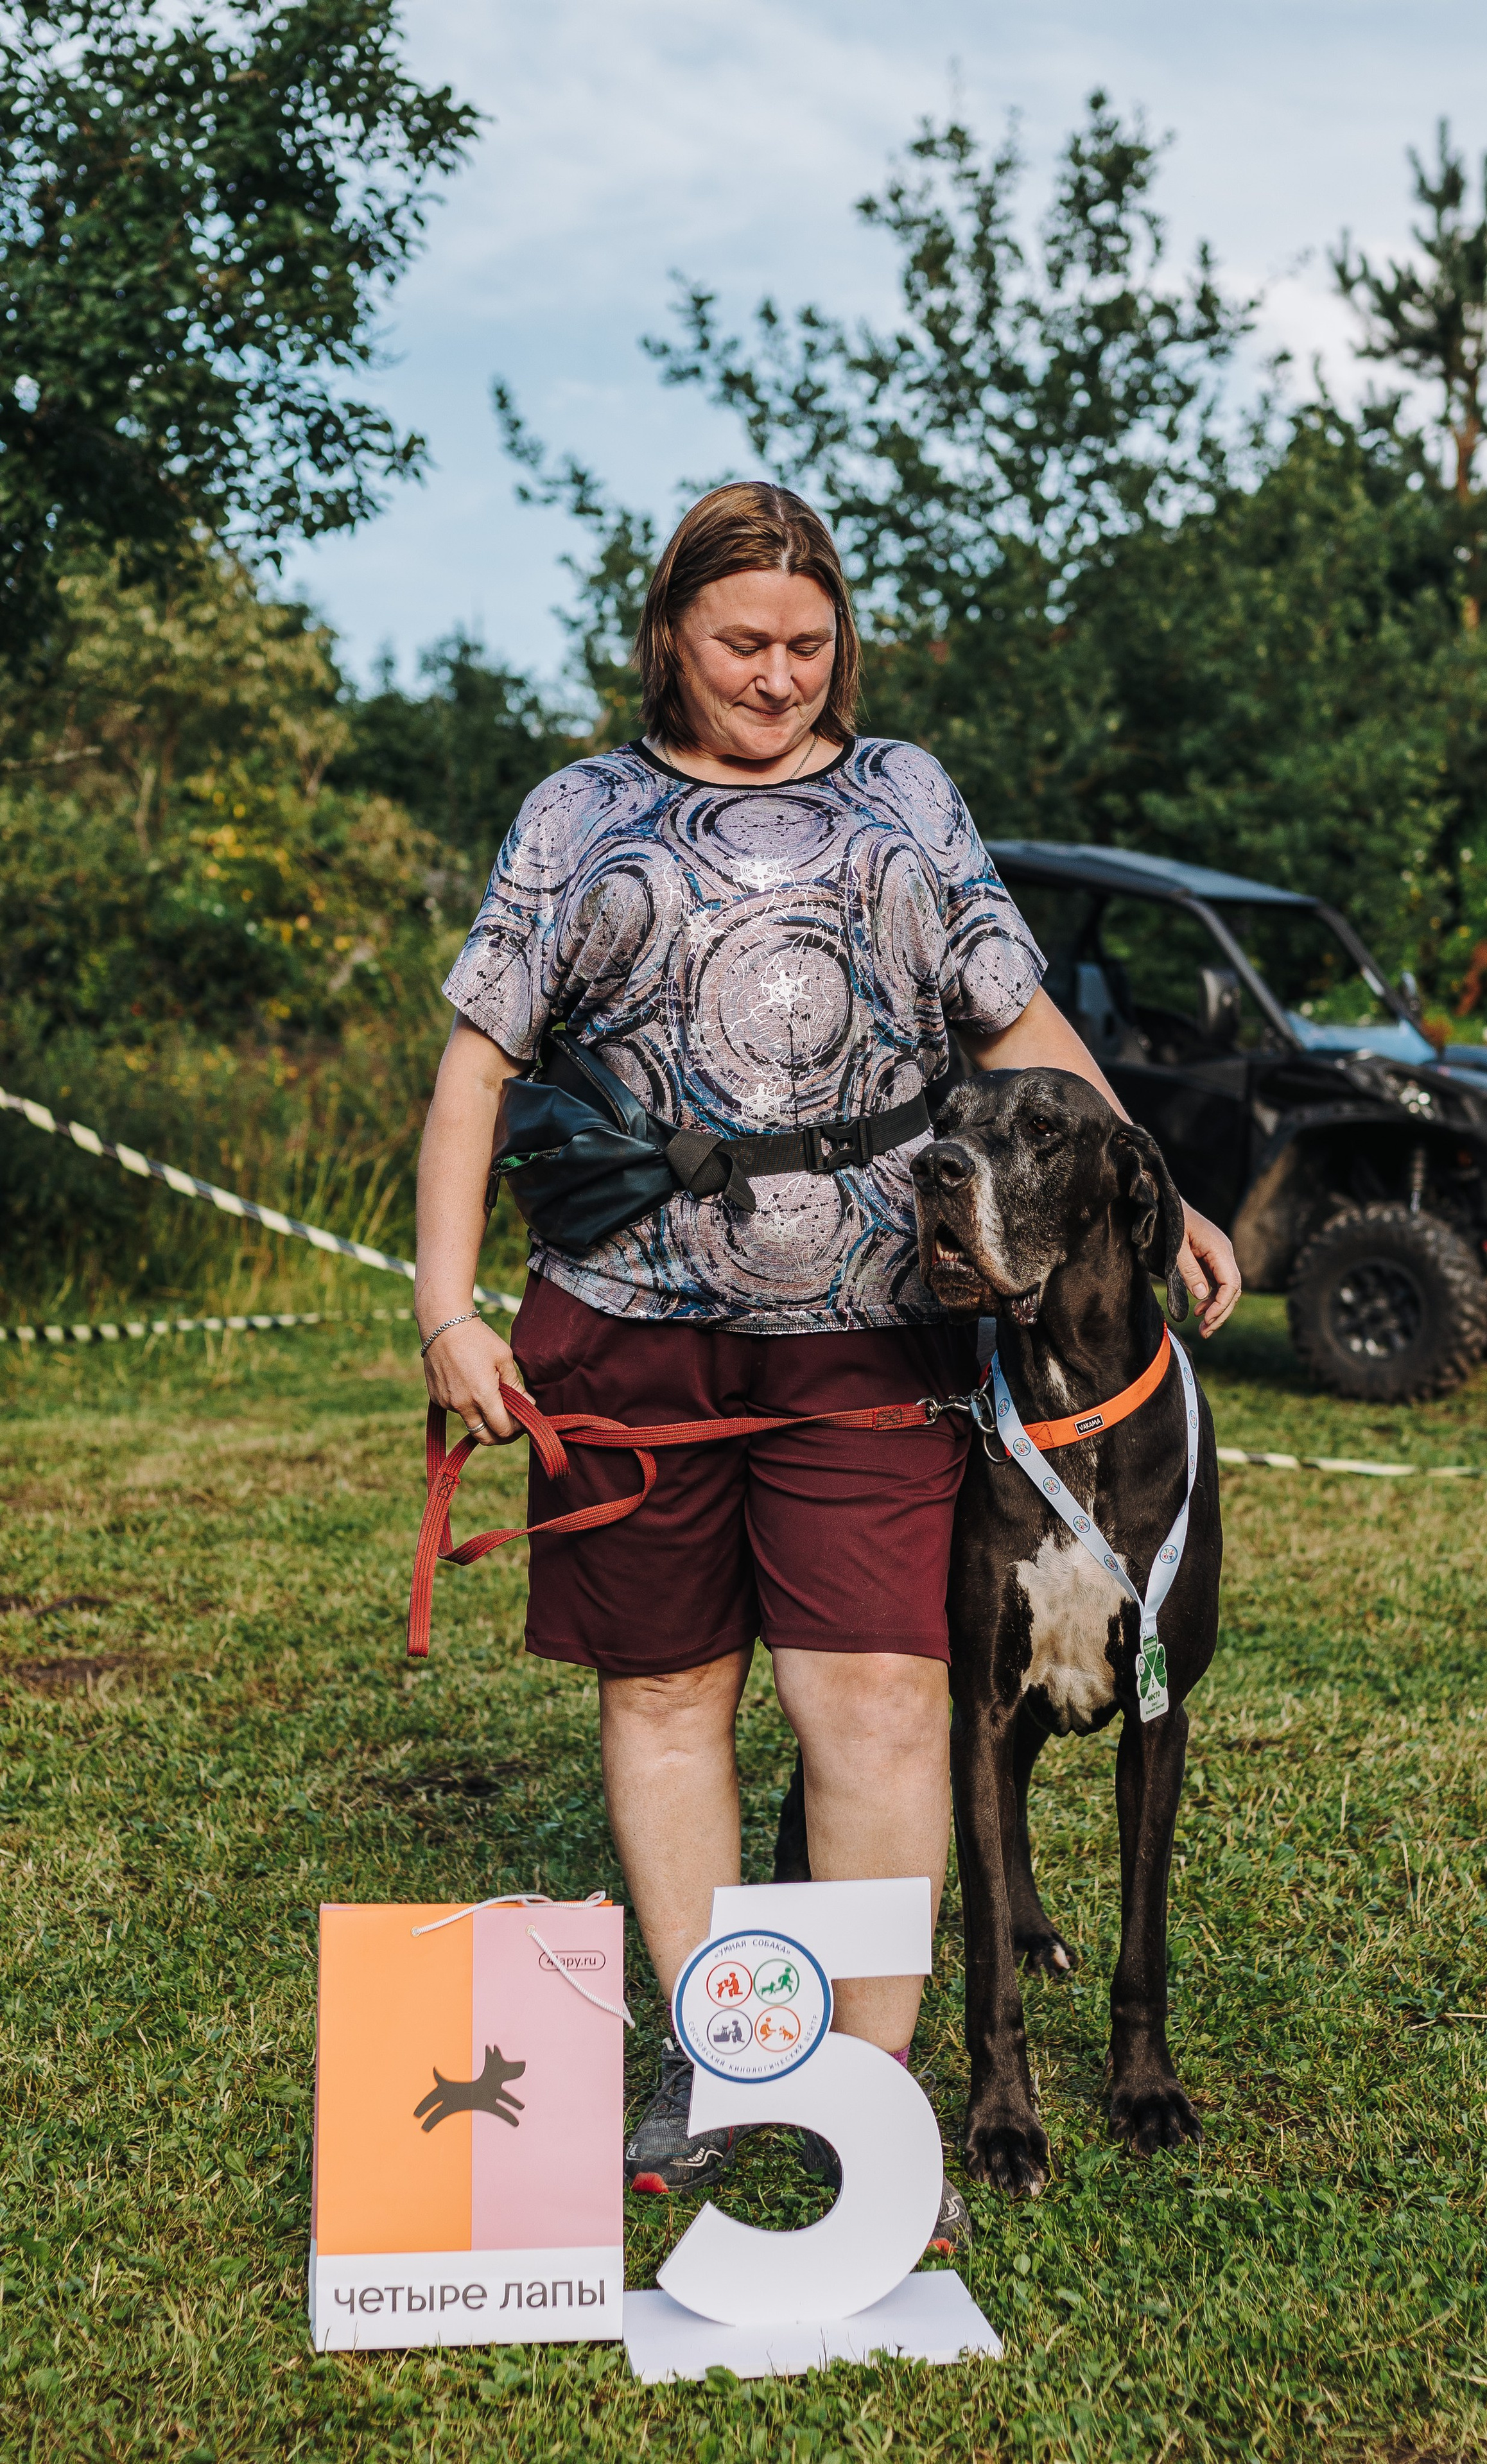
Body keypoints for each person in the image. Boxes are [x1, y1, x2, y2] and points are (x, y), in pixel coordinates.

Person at [414, 482, 1240, 2247]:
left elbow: (1012, 1012)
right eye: (740, 645)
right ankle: (724, 2064)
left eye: (807, 644)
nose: (779, 678)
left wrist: (1160, 1201)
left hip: (880, 1329)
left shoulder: (907, 796)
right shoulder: (580, 812)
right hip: (624, 1325)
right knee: (666, 1696)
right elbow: (479, 1067)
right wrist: (446, 1304)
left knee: (874, 1700)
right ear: (667, 638)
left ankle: (870, 2107)